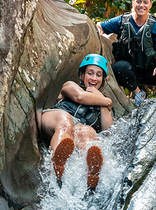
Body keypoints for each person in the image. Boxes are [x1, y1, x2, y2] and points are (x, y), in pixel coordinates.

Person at [37, 54, 113, 189]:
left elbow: (108, 131)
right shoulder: (70, 85)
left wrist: (102, 102)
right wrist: (107, 101)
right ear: (82, 75)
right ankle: (56, 163)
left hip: (75, 132)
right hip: (56, 118)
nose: (94, 78)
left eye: (99, 75)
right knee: (65, 122)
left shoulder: (102, 104)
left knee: (87, 131)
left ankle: (90, 175)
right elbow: (79, 97)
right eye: (90, 73)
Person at [96, 0, 156, 106]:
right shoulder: (122, 21)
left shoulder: (155, 26)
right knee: (119, 67)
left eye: (145, 2)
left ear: (150, 5)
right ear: (133, 2)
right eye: (138, 1)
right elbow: (100, 26)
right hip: (128, 72)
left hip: (149, 71)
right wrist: (98, 31)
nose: (141, 5)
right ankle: (139, 93)